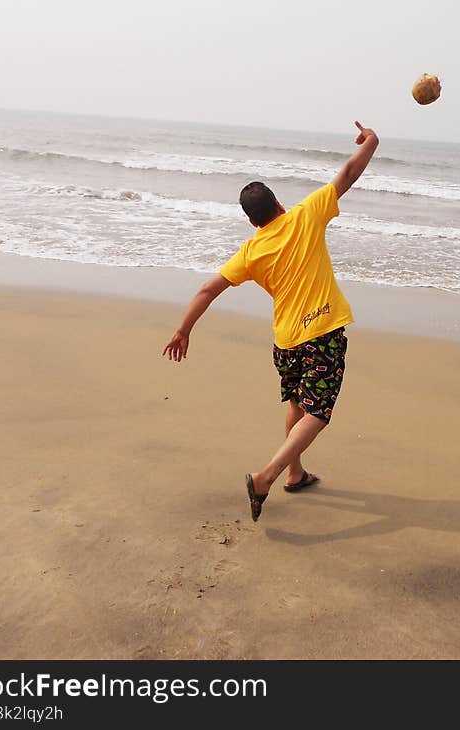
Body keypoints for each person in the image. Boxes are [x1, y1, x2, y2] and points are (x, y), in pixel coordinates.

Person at [162, 121, 379, 522]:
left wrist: (183, 330)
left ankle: (295, 474)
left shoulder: (250, 251)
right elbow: (348, 173)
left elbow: (208, 290)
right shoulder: (306, 215)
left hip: (285, 341)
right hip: (323, 332)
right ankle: (267, 476)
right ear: (279, 203)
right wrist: (372, 142)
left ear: (251, 221)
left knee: (297, 401)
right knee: (318, 412)